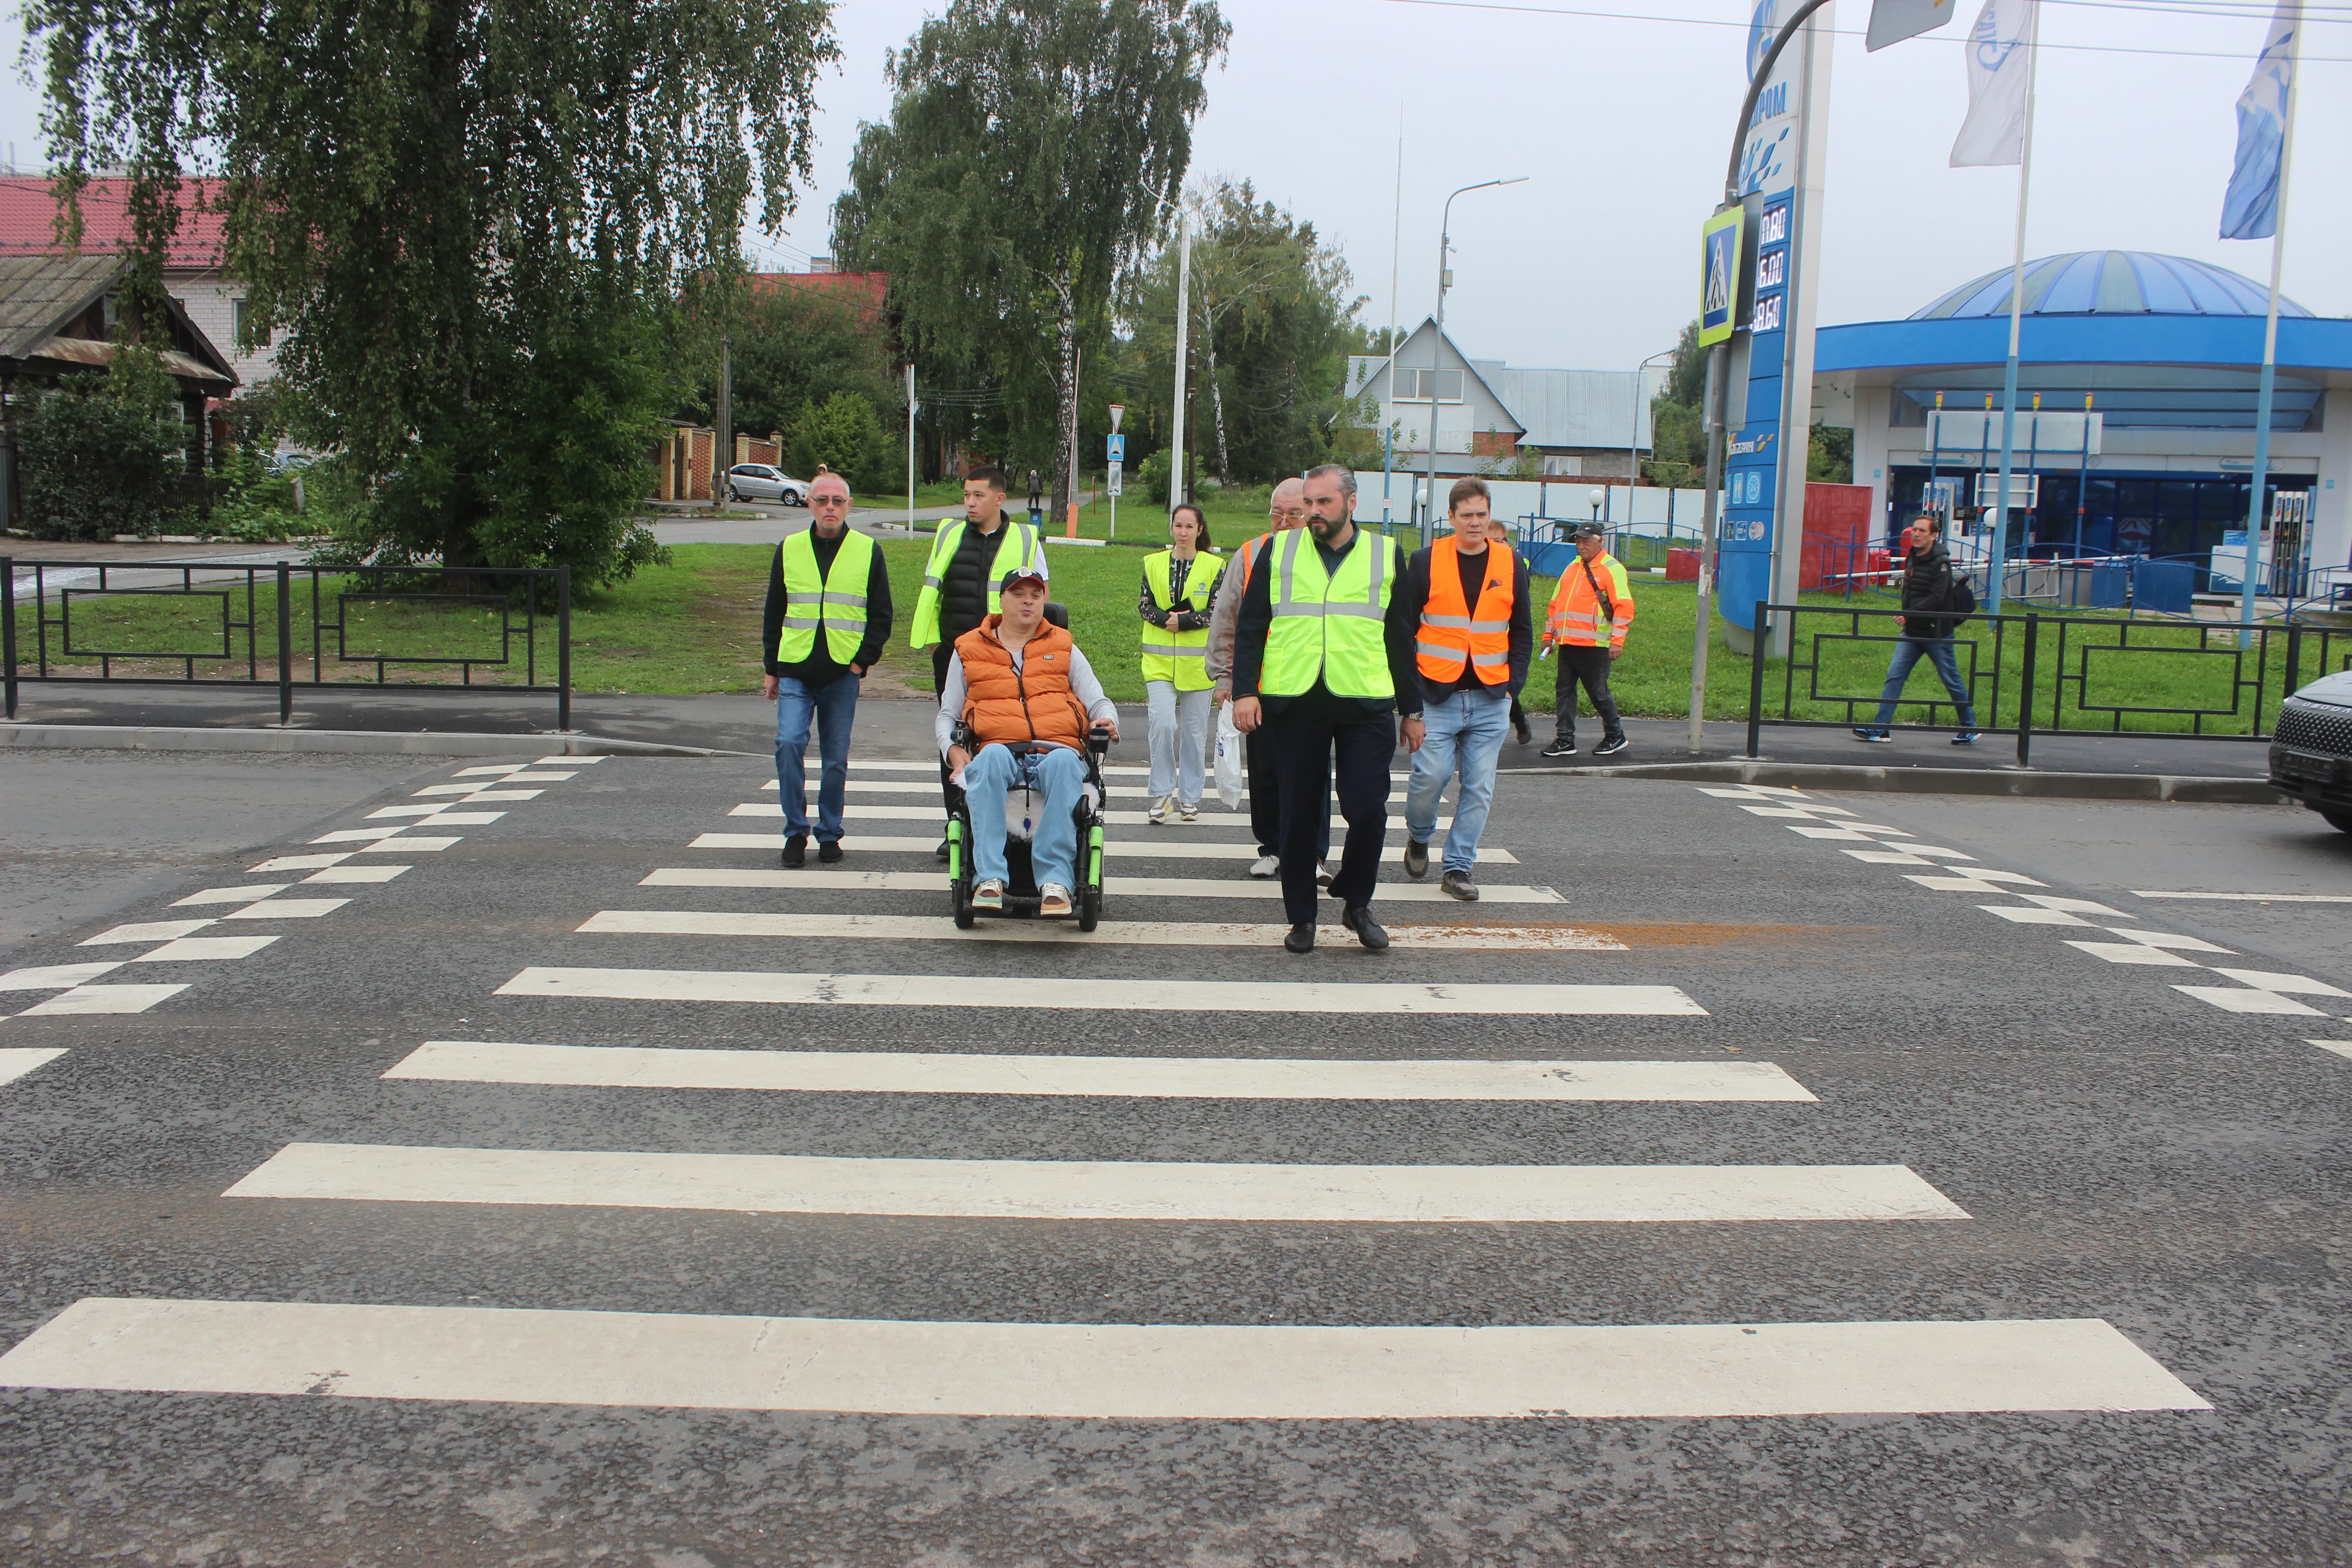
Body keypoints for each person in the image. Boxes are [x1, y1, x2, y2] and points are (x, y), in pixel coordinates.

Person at [1231, 464, 1418, 955]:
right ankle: (1303, 918)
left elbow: (1400, 635)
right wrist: (1245, 691)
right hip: (1294, 698)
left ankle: (1357, 902)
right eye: (1309, 503)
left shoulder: (1385, 553)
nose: (1314, 511)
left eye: (1324, 503)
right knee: (1296, 815)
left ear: (1351, 502)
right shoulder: (1280, 549)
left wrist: (1413, 709)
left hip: (1364, 700)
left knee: (1368, 809)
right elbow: (1251, 624)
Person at [937, 566, 1121, 917]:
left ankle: (1056, 882)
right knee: (990, 758)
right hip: (999, 749)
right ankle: (989, 878)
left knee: (1065, 763)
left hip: (1056, 750)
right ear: (1002, 601)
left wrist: (1107, 720)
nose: (1028, 602)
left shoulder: (1063, 646)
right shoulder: (968, 649)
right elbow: (948, 714)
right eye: (1019, 594)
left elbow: (1098, 701)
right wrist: (953, 749)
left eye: (1036, 596)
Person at [1396, 478, 1532, 901]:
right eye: (1467, 515)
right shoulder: (1425, 561)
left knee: (1479, 787)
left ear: (1490, 516)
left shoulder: (1511, 563)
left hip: (1491, 696)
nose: (1475, 522)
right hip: (1436, 695)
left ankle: (1458, 867)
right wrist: (1410, 699)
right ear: (1452, 517)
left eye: (1482, 514)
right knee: (1430, 777)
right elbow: (1402, 629)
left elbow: (1522, 630)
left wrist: (1512, 687)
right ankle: (1420, 836)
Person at [910, 467, 1047, 858]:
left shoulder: (1025, 538)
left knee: (997, 739)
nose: (970, 503)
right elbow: (934, 590)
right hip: (953, 655)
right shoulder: (948, 534)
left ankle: (1000, 827)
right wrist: (937, 646)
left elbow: (1040, 597)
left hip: (1003, 657)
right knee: (954, 737)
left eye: (978, 496)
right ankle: (956, 825)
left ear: (1000, 499)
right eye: (966, 495)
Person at [760, 473, 893, 867]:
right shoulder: (790, 548)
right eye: (822, 500)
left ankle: (830, 833)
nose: (830, 507)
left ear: (849, 505)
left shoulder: (868, 550)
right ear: (810, 504)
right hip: (795, 669)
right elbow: (774, 610)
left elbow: (881, 614)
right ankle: (795, 832)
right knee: (788, 744)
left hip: (841, 672)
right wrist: (772, 667)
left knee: (835, 759)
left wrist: (862, 661)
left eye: (837, 500)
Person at [1208, 478, 1332, 881]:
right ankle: (1273, 847)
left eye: (1294, 514)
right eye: (1277, 513)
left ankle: (1313, 854)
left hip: (1314, 685)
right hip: (1258, 686)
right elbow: (1227, 619)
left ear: (1310, 514)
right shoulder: (1250, 553)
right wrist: (1226, 678)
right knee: (1265, 771)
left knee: (1313, 772)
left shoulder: (1325, 555)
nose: (1284, 521)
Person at [1854, 513, 1980, 744]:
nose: (1917, 534)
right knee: (1894, 676)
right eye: (1914, 530)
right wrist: (1909, 617)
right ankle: (1881, 728)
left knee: (1951, 679)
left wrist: (1908, 614)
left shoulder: (1941, 563)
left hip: (1936, 633)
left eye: (1922, 531)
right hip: (1912, 633)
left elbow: (1937, 597)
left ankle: (1969, 728)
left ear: (1934, 536)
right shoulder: (1912, 556)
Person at [1138, 504, 1225, 823]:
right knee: (1162, 724)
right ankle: (1162, 794)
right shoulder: (1153, 563)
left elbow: (1218, 609)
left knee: (1194, 733)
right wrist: (1166, 620)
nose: (1184, 532)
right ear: (1171, 528)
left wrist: (1185, 622)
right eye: (1179, 526)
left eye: (1190, 527)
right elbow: (1144, 604)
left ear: (1200, 530)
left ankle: (1189, 797)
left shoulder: (1215, 566)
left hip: (1199, 664)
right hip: (1159, 662)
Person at [1539, 522, 1635, 759]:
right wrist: (1548, 636)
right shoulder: (1572, 567)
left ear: (1599, 541)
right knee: (1564, 691)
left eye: (1586, 541)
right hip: (1568, 642)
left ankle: (1615, 735)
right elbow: (1556, 605)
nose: (1581, 546)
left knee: (1598, 693)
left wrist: (1617, 641)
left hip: (1595, 644)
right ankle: (1565, 740)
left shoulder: (1612, 568)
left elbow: (1624, 607)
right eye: (1578, 541)